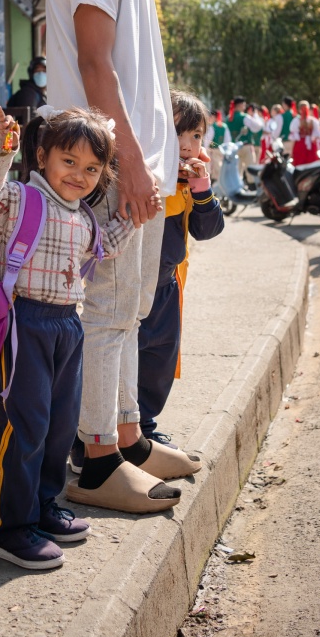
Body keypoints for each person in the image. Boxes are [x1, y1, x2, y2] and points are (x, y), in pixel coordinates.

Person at [46, 0, 199, 515]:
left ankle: (130, 440)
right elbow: (93, 64)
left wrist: (171, 159)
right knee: (108, 312)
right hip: (110, 169)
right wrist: (131, 165)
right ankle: (97, 459)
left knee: (131, 311)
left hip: (143, 170)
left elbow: (134, 77)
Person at [0, 105, 139, 569]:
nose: (79, 175)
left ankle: (44, 507)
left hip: (68, 326)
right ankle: (13, 529)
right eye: (69, 161)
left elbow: (103, 247)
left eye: (91, 168)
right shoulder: (22, 198)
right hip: (26, 322)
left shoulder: (82, 217)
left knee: (61, 426)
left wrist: (137, 216)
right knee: (27, 427)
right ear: (42, 156)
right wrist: (4, 146)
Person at [137, 91, 224, 444]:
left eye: (196, 136)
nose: (187, 146)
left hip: (168, 285)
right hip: (136, 285)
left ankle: (144, 427)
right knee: (125, 359)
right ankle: (98, 435)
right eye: (178, 134)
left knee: (160, 358)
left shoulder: (191, 182)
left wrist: (202, 188)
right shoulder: (147, 177)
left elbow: (208, 230)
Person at [289, 100, 320, 166]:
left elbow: (294, 138)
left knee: (300, 164)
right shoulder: (313, 121)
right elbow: (317, 136)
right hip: (311, 145)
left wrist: (291, 151)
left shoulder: (296, 121)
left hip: (300, 145)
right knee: (311, 164)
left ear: (299, 110)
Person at [204, 109, 230, 182]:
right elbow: (228, 140)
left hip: (211, 150)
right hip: (220, 150)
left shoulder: (211, 127)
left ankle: (212, 183)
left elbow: (208, 140)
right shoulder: (224, 126)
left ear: (213, 117)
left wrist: (205, 149)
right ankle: (219, 182)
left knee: (209, 167)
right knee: (219, 167)